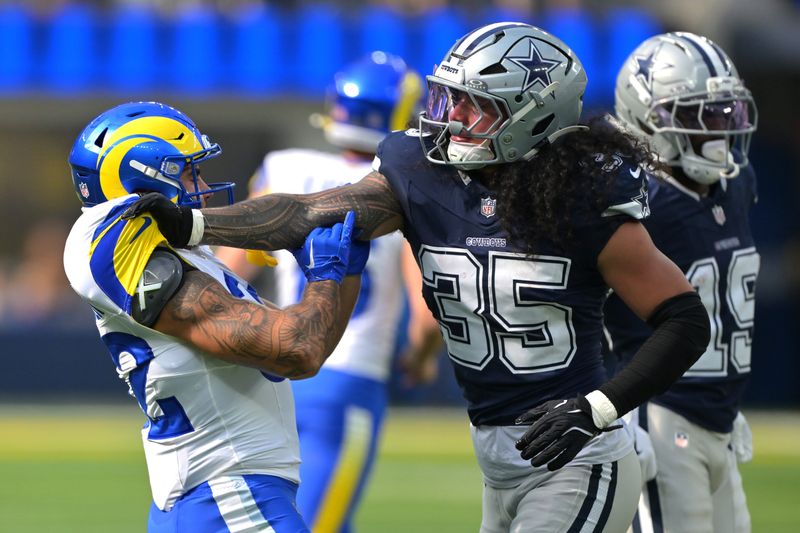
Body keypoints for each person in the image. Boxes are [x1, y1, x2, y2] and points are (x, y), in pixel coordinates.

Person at [123, 23, 711, 532]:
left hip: (580, 455)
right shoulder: (421, 176)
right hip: (497, 458)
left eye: (472, 106)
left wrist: (601, 407)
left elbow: (683, 320)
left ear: (532, 118)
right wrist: (194, 223)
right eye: (448, 99)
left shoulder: (584, 198)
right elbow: (305, 213)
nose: (448, 119)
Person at [62, 101, 369, 533]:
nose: (203, 187)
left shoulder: (193, 259)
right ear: (143, 175)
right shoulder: (106, 240)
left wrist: (344, 275)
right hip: (227, 494)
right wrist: (322, 276)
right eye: (189, 171)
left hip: (225, 493)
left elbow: (311, 349)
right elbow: (294, 351)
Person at [215, 51, 443, 533]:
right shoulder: (402, 188)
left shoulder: (284, 167)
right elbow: (427, 313)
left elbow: (228, 275)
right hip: (349, 381)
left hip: (276, 375)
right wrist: (420, 359)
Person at [605, 32, 759, 533]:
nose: (717, 132)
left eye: (722, 114)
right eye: (699, 117)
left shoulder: (737, 183)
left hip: (720, 415)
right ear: (648, 118)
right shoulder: (634, 199)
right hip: (661, 412)